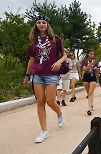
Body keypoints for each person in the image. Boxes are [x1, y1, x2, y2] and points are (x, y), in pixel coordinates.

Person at [23, 15, 66, 143]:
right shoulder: (33, 41)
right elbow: (31, 59)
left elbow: (64, 54)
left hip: (52, 73)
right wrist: (27, 75)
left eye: (43, 22)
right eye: (39, 22)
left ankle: (60, 114)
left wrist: (59, 62)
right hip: (37, 74)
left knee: (50, 101)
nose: (41, 24)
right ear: (36, 25)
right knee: (40, 101)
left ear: (47, 25)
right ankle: (44, 131)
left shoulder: (55, 39)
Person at [81, 49, 98, 115]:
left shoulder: (95, 61)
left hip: (92, 76)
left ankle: (89, 108)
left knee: (91, 92)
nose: (92, 55)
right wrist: (90, 64)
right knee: (89, 93)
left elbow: (96, 69)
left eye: (93, 54)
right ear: (88, 54)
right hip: (86, 76)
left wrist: (97, 75)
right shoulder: (84, 61)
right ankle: (91, 104)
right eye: (91, 54)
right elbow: (84, 69)